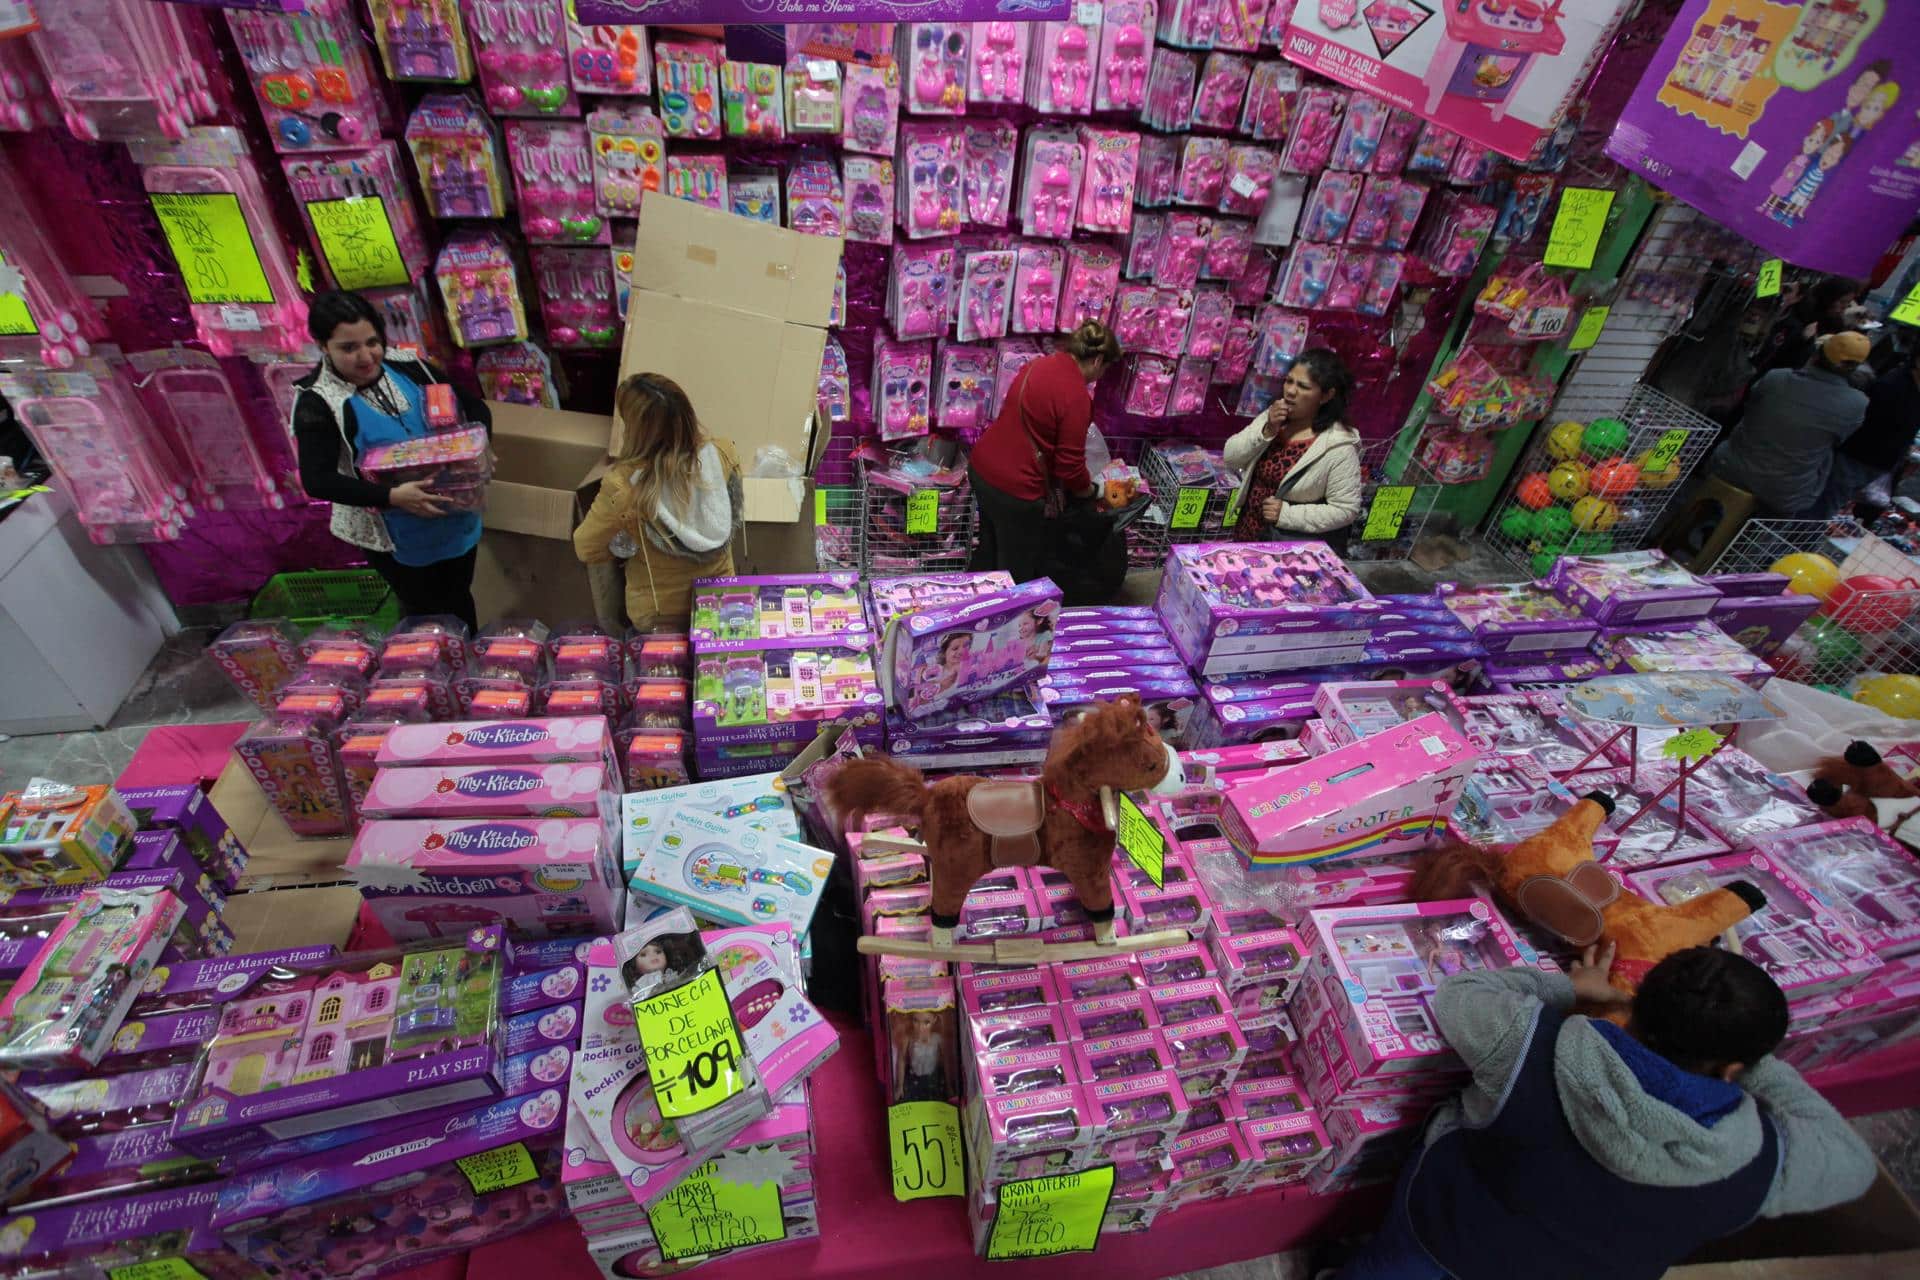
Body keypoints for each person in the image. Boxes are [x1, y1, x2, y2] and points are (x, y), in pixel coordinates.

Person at [1335, 944, 1875, 1280]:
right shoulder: (1762, 1161)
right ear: (1733, 1069)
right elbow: (1854, 1164)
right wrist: (1753, 1060)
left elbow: (1460, 995)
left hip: (1439, 1234)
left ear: (1631, 1004)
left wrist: (1570, 986)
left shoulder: (1533, 1045)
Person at [294, 290, 491, 632]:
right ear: (323, 346)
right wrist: (392, 497)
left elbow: (475, 408)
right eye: (349, 347)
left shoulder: (408, 367)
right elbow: (318, 479)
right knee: (425, 613)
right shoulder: (318, 401)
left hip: (452, 513)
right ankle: (432, 676)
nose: (366, 356)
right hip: (393, 530)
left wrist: (481, 446)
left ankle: (467, 668)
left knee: (459, 598)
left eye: (372, 342)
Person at [572, 372, 738, 630]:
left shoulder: (623, 485)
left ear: (635, 430)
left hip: (659, 618)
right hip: (722, 602)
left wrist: (625, 545)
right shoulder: (722, 454)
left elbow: (586, 547)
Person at [967, 319, 1121, 583]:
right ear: (1097, 361)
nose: (1101, 375)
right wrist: (1092, 491)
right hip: (1016, 489)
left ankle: (969, 610)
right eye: (1105, 368)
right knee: (1016, 570)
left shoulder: (1037, 365)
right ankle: (1008, 621)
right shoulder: (1075, 396)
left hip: (982, 468)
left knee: (988, 552)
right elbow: (1070, 467)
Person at [1710, 331, 1870, 517]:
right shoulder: (1857, 404)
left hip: (1728, 466)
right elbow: (1839, 440)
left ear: (1817, 354)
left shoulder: (1776, 378)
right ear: (1854, 368)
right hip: (1785, 493)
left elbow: (1750, 405)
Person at [1222, 349, 1363, 550]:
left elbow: (1346, 509)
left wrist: (1287, 514)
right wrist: (1267, 430)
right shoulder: (1274, 419)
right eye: (1289, 381)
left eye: (1303, 386)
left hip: (1286, 546)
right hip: (1248, 531)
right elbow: (1231, 458)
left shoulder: (1338, 447)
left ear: (1326, 395)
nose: (1290, 391)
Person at [1818, 342, 1920, 517]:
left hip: (1878, 464)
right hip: (1855, 458)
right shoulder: (1892, 385)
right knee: (1822, 508)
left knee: (1832, 506)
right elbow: (1864, 422)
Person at [1752, 275, 1860, 378]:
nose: (1844, 307)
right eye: (1842, 302)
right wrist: (1802, 340)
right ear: (1829, 298)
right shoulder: (1797, 317)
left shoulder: (1834, 321)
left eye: (1848, 303)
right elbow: (1769, 355)